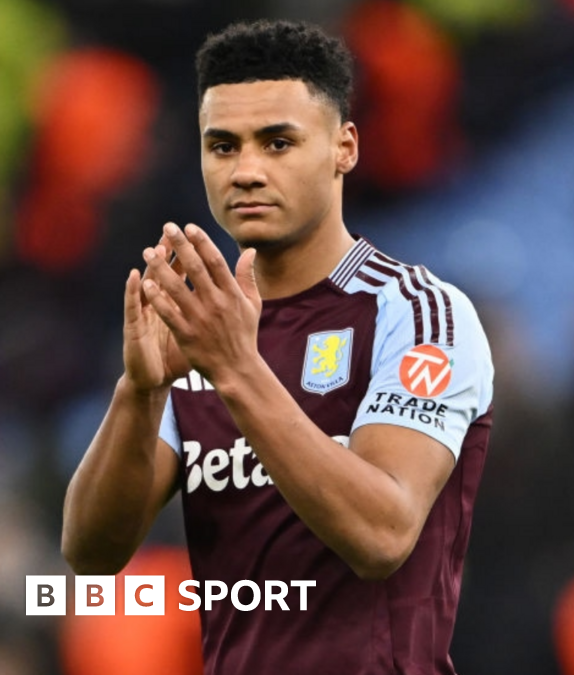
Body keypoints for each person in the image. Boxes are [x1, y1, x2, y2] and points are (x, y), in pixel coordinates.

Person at [61, 19, 494, 675]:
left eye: (278, 142)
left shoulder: (417, 312)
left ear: (344, 147)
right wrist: (140, 391)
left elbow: (383, 535)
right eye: (224, 146)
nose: (247, 171)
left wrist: (236, 367)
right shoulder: (199, 325)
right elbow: (89, 551)